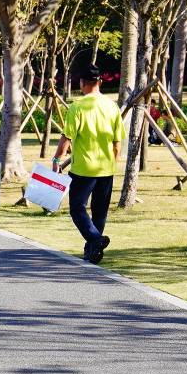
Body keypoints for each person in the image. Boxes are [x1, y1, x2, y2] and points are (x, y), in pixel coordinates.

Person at [52, 66, 124, 263]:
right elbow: (118, 143)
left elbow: (66, 138)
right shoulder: (112, 107)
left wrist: (57, 160)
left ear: (82, 83)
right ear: (99, 82)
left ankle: (95, 239)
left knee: (77, 208)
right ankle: (93, 250)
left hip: (84, 168)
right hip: (106, 168)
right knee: (100, 211)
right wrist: (112, 163)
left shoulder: (77, 106)